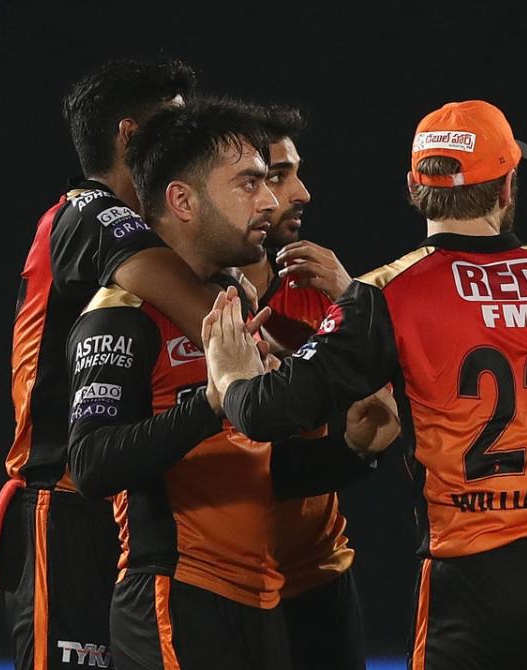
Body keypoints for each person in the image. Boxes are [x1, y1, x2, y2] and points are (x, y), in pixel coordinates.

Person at [205, 99, 527, 669]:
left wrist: (230, 370)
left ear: (414, 187)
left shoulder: (387, 295)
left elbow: (268, 412)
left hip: (479, 579)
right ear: (507, 187)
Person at [67, 97, 398, 669]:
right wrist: (213, 402)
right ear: (182, 200)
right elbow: (91, 463)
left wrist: (354, 452)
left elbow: (260, 470)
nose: (270, 201)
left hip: (261, 602)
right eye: (249, 183)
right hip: (177, 600)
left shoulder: (235, 302)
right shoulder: (122, 313)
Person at [0, 58, 239, 670]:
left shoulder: (134, 225)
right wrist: (303, 362)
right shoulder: (89, 212)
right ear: (127, 134)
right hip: (63, 505)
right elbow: (205, 314)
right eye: (172, 120)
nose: (185, 134)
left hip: (129, 506)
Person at [239, 106, 369, 670]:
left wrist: (352, 299)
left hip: (318, 574)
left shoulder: (319, 290)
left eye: (295, 172)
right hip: (224, 587)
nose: (301, 193)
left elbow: (380, 414)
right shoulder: (174, 300)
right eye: (276, 174)